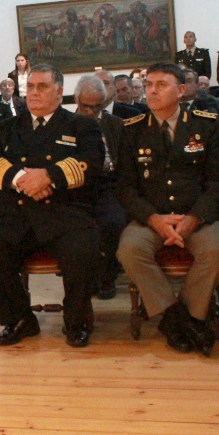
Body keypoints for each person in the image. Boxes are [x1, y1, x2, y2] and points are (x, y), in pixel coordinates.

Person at [0, 64, 104, 347]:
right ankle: (20, 319)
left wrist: (48, 176)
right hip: (17, 213)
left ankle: (76, 321)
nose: (34, 93)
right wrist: (23, 180)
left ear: (59, 92)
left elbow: (92, 163)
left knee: (83, 251)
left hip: (65, 212)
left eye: (42, 87)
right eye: (30, 87)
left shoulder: (81, 126)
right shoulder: (6, 128)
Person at [115, 63, 219, 357]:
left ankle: (188, 317)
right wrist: (154, 219)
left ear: (181, 91)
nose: (152, 91)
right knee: (129, 249)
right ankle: (175, 317)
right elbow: (125, 188)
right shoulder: (132, 130)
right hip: (150, 218)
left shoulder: (206, 124)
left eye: (161, 85)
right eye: (149, 85)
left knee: (218, 250)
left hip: (198, 216)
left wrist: (194, 218)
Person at [74, 74, 126, 300]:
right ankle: (82, 277)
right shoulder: (66, 123)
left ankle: (106, 278)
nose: (91, 113)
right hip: (76, 187)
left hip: (108, 183)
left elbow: (124, 161)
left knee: (114, 222)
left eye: (97, 107)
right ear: (77, 101)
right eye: (86, 106)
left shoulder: (114, 124)